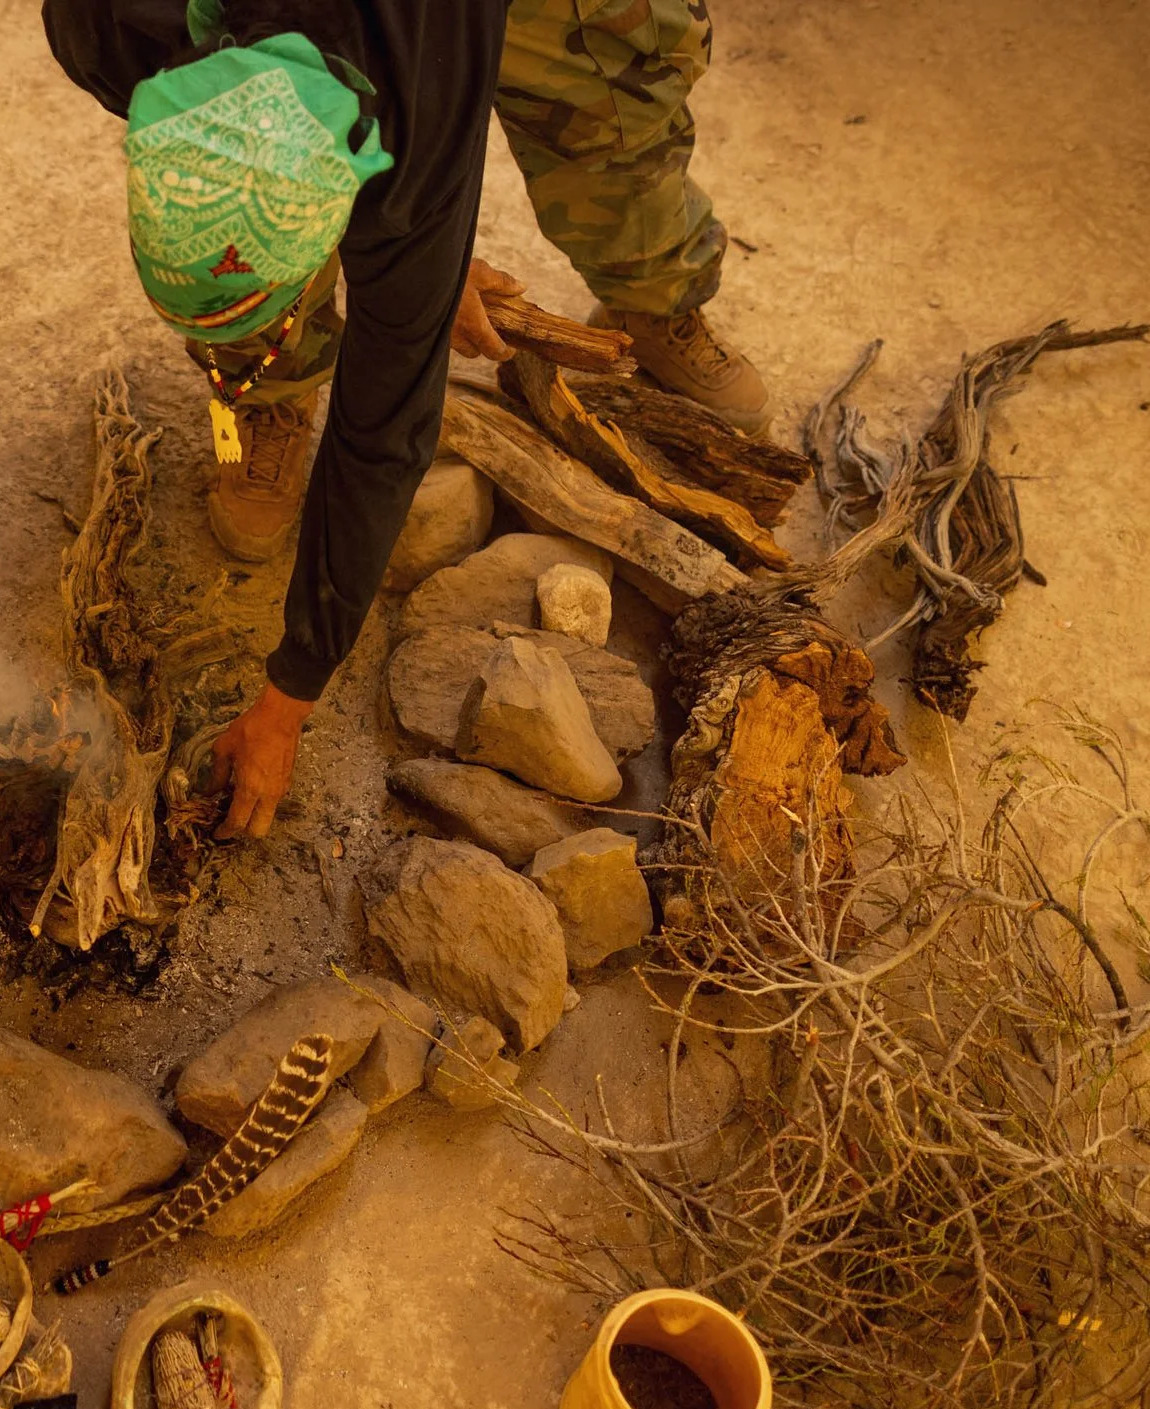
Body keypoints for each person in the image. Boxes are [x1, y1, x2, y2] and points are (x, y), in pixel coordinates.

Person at [43, 0, 764, 837]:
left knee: (612, 83)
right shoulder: (101, 26)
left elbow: (382, 430)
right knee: (271, 252)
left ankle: (653, 288)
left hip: (437, 33)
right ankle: (269, 380)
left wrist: (289, 697)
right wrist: (417, 249)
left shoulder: (424, 66)